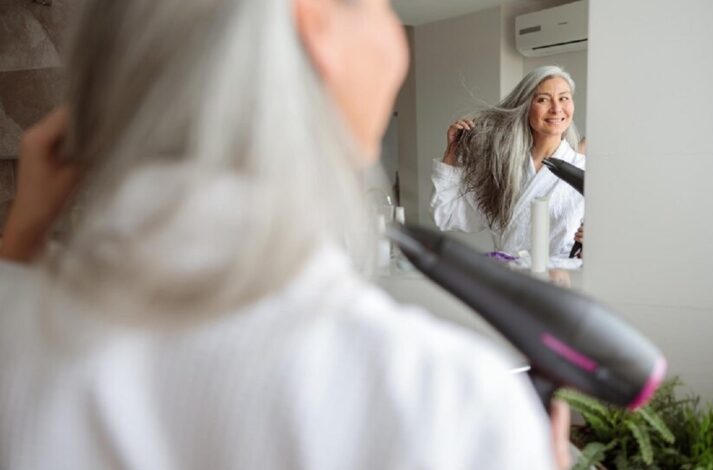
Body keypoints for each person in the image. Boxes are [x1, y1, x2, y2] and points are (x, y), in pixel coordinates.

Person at [0, 0, 571, 468]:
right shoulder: (446, 405)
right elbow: (455, 218)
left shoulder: (22, 328)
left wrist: (23, 241)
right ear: (314, 22)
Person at [431, 66, 585, 258]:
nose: (556, 108)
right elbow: (448, 216)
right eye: (543, 99)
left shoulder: (584, 171)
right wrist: (452, 154)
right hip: (511, 278)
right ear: (526, 106)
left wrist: (591, 244)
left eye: (564, 98)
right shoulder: (502, 166)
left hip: (561, 279)